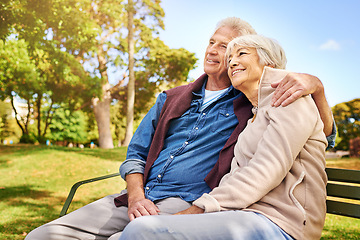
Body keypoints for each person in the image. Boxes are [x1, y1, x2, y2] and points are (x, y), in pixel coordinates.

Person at [25, 17, 335, 240]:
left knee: (134, 235)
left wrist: (317, 88)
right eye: (212, 43)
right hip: (139, 195)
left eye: (229, 48)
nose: (215, 52)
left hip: (191, 200)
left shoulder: (254, 104)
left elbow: (320, 136)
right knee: (43, 236)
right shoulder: (171, 98)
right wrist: (135, 196)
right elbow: (136, 153)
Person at [119, 34, 328, 240]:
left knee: (142, 231)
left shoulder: (290, 99)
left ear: (270, 62)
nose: (232, 62)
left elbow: (264, 171)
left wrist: (194, 212)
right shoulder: (253, 115)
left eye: (241, 54)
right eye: (229, 59)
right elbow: (234, 176)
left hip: (282, 224)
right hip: (242, 214)